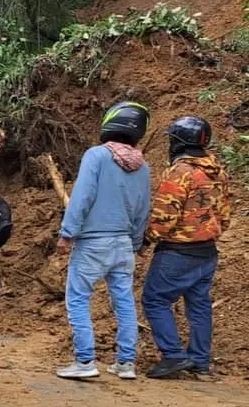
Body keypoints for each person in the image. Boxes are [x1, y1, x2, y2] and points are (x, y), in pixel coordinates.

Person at [55, 102, 151, 381]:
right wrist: (134, 243)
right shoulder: (142, 166)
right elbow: (143, 209)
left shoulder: (97, 156)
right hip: (123, 244)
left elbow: (82, 196)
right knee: (124, 301)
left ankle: (85, 361)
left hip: (93, 243)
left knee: (78, 298)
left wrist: (67, 232)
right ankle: (126, 363)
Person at [142, 116, 231, 379]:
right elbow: (225, 215)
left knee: (155, 299)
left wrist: (148, 238)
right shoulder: (219, 172)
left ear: (179, 143)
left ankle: (173, 356)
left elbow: (164, 217)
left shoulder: (179, 172)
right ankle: (200, 361)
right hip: (208, 252)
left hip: (178, 252)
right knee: (199, 305)